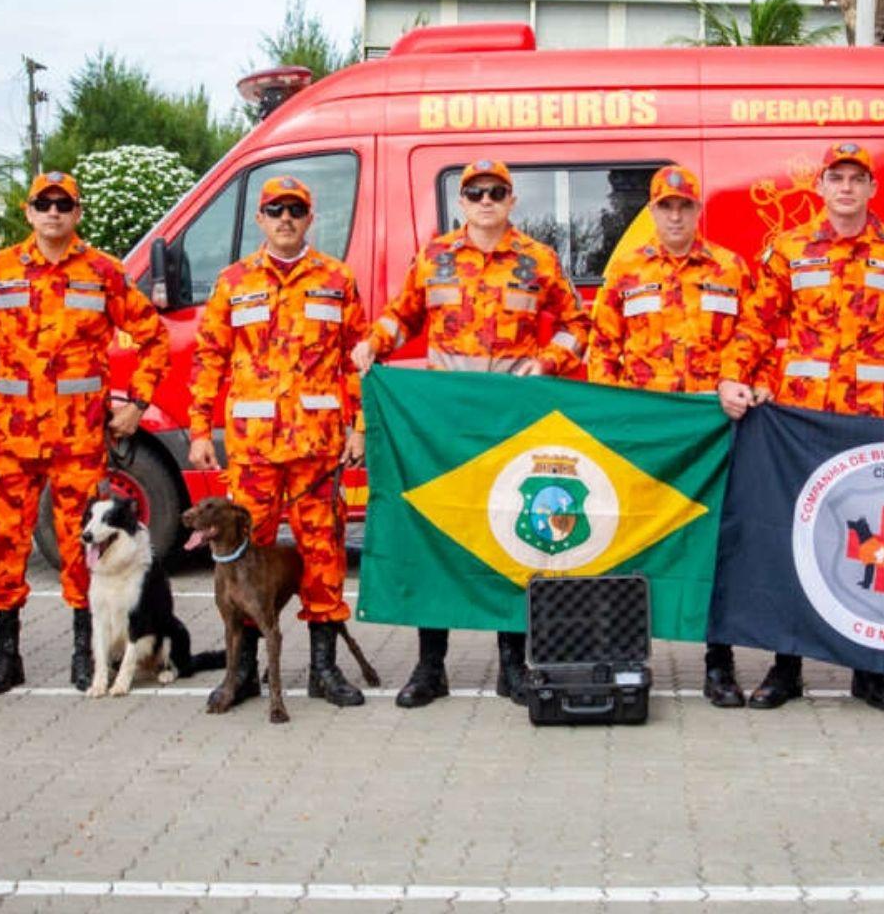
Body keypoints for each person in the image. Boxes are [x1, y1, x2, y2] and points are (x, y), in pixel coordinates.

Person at [352, 159, 590, 708]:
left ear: (511, 201)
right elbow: (400, 316)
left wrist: (551, 360)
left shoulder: (538, 261)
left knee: (515, 536)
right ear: (461, 203)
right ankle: (430, 667)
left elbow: (581, 325)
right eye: (475, 193)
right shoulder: (434, 258)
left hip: (512, 423)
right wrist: (374, 343)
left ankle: (514, 665)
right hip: (444, 427)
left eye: (496, 192)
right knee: (439, 538)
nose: (485, 201)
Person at [718, 141, 884, 711]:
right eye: (835, 177)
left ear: (872, 188)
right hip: (803, 420)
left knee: (878, 546)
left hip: (875, 420)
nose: (845, 187)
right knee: (800, 536)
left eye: (856, 178)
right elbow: (756, 323)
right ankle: (784, 666)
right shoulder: (788, 249)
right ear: (821, 187)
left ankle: (869, 670)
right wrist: (732, 377)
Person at [0, 171, 170, 694]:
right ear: (27, 210)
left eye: (64, 204)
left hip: (79, 440)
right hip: (10, 439)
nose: (53, 211)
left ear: (77, 213)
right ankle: (5, 655)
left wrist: (137, 405)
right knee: (1, 543)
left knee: (84, 547)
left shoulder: (103, 271)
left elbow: (153, 337)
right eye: (44, 203)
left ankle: (88, 655)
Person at [188, 176, 369, 709]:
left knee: (322, 555)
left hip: (316, 451)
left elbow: (356, 359)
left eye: (296, 209)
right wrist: (199, 430)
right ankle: (242, 673)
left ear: (310, 218)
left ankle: (323, 670)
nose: (285, 218)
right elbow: (208, 358)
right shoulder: (233, 282)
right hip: (253, 455)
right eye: (275, 209)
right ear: (260, 219)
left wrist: (359, 428)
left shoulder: (337, 280)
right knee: (241, 559)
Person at [587, 165, 754, 707]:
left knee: (711, 550)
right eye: (665, 207)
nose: (675, 215)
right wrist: (615, 418)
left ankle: (719, 664)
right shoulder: (627, 271)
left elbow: (753, 335)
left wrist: (734, 376)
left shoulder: (730, 268)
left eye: (685, 206)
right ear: (653, 211)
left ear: (697, 210)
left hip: (710, 436)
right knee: (633, 543)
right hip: (645, 435)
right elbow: (603, 350)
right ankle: (624, 659)